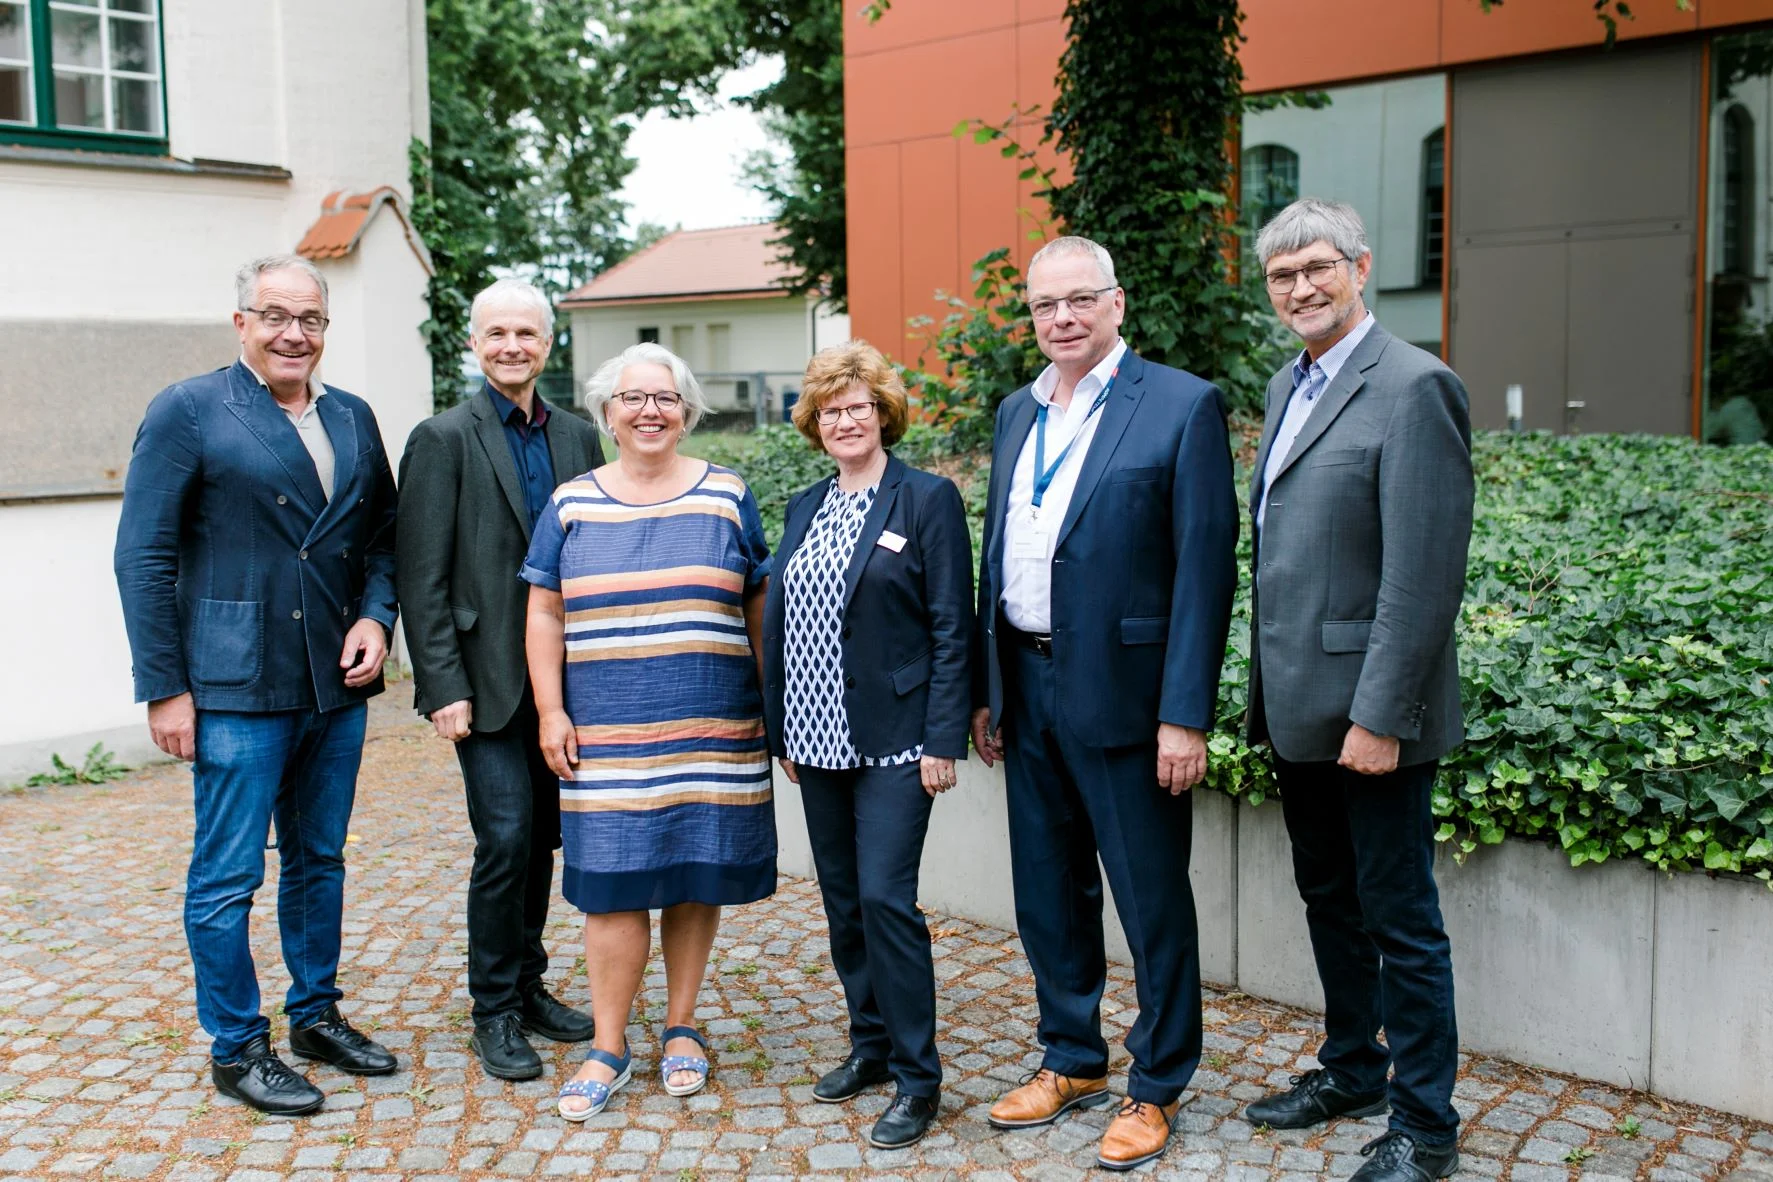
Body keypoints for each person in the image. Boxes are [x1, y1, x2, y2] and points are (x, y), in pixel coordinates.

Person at [970, 236, 1238, 1170]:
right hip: (1027, 687)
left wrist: (1184, 714)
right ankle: (1072, 1056)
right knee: (1047, 891)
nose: (1062, 319)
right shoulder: (1016, 411)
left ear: (1116, 304)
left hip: (1129, 700)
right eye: (1045, 306)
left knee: (1149, 896)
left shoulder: (1180, 404)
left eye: (1080, 300)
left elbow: (1206, 571)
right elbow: (996, 551)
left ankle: (1157, 1082)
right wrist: (987, 686)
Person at [113, 254, 400, 1116]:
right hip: (234, 683)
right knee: (227, 875)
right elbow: (143, 554)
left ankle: (314, 1015)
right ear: (241, 322)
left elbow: (381, 536)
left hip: (332, 682)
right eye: (275, 315)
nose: (293, 334)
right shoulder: (191, 409)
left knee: (319, 861)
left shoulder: (352, 416)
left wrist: (376, 617)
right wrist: (165, 686)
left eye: (309, 320)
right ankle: (237, 1045)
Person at [1240, 198, 1474, 1182]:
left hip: (1372, 718)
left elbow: (1424, 575)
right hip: (1299, 708)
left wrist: (1382, 716)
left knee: (1399, 918)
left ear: (1361, 267)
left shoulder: (1414, 386)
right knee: (1329, 899)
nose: (1301, 287)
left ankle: (1425, 1125)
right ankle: (1353, 1068)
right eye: (1283, 275)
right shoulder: (1286, 383)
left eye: (1318, 267)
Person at [520, 343, 774, 1121]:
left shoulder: (728, 495)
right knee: (613, 886)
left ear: (687, 410)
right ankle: (608, 1044)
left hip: (713, 723)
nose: (650, 411)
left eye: (665, 398)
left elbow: (758, 607)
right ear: (606, 413)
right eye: (632, 398)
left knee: (696, 876)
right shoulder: (570, 503)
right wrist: (550, 709)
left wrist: (776, 706)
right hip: (605, 733)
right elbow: (543, 610)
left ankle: (681, 1025)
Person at [760, 341, 974, 1150]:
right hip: (813, 737)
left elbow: (955, 624)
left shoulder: (925, 499)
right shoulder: (803, 506)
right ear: (814, 424)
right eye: (829, 410)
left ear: (883, 413)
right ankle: (870, 1047)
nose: (845, 420)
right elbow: (783, 618)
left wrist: (940, 736)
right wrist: (781, 727)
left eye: (858, 407)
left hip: (894, 739)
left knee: (886, 900)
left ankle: (920, 1080)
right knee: (844, 902)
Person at [395, 279, 603, 1081]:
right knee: (506, 837)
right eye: (497, 334)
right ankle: (492, 1011)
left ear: (547, 344)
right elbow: (422, 576)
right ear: (474, 346)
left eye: (527, 332)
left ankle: (528, 986)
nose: (512, 345)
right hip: (481, 684)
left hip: (567, 685)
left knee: (544, 839)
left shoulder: (582, 438)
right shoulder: (442, 437)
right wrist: (440, 685)